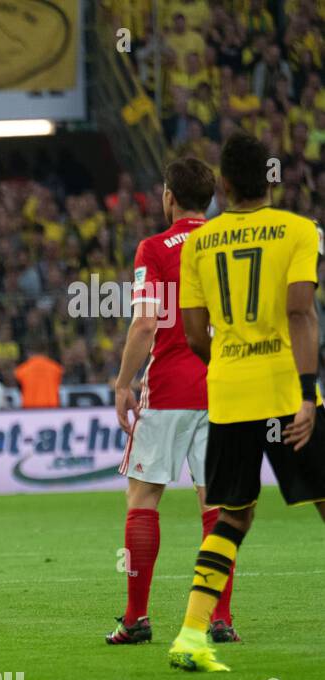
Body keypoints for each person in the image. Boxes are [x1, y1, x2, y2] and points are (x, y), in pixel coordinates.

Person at [170, 132, 325, 672]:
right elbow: (302, 313)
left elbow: (193, 335)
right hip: (286, 388)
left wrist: (233, 362)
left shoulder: (198, 244)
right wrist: (306, 394)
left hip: (231, 393)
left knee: (232, 516)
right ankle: (192, 635)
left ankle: (191, 634)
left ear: (226, 186)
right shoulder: (299, 230)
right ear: (271, 178)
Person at [109, 157, 236, 645]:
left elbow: (145, 323)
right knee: (218, 504)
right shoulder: (228, 241)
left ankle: (137, 618)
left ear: (168, 197)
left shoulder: (156, 249)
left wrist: (123, 383)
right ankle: (219, 618)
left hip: (168, 389)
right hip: (223, 385)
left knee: (143, 499)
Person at [14, 340, 63, 407]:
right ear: (46, 351)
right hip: (52, 408)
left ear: (28, 352)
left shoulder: (21, 370)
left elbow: (19, 389)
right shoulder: (56, 368)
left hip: (30, 409)